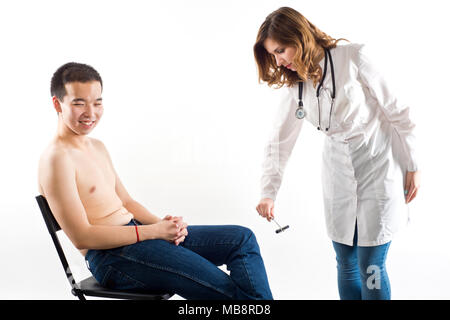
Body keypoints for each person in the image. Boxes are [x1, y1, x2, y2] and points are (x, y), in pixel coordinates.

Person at [37, 62, 273, 300]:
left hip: (138, 235)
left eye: (97, 102)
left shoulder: (97, 147)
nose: (91, 112)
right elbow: (83, 236)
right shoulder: (56, 159)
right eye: (79, 103)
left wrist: (165, 226)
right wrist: (152, 231)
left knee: (242, 239)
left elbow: (127, 202)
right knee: (234, 294)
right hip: (111, 257)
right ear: (58, 104)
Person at [253, 7, 420, 300]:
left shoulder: (353, 57)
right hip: (337, 173)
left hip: (378, 167)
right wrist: (269, 192)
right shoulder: (297, 84)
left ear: (300, 37)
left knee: (371, 265)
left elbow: (399, 112)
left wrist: (413, 164)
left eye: (281, 50)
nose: (279, 60)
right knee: (345, 263)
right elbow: (279, 142)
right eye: (273, 55)